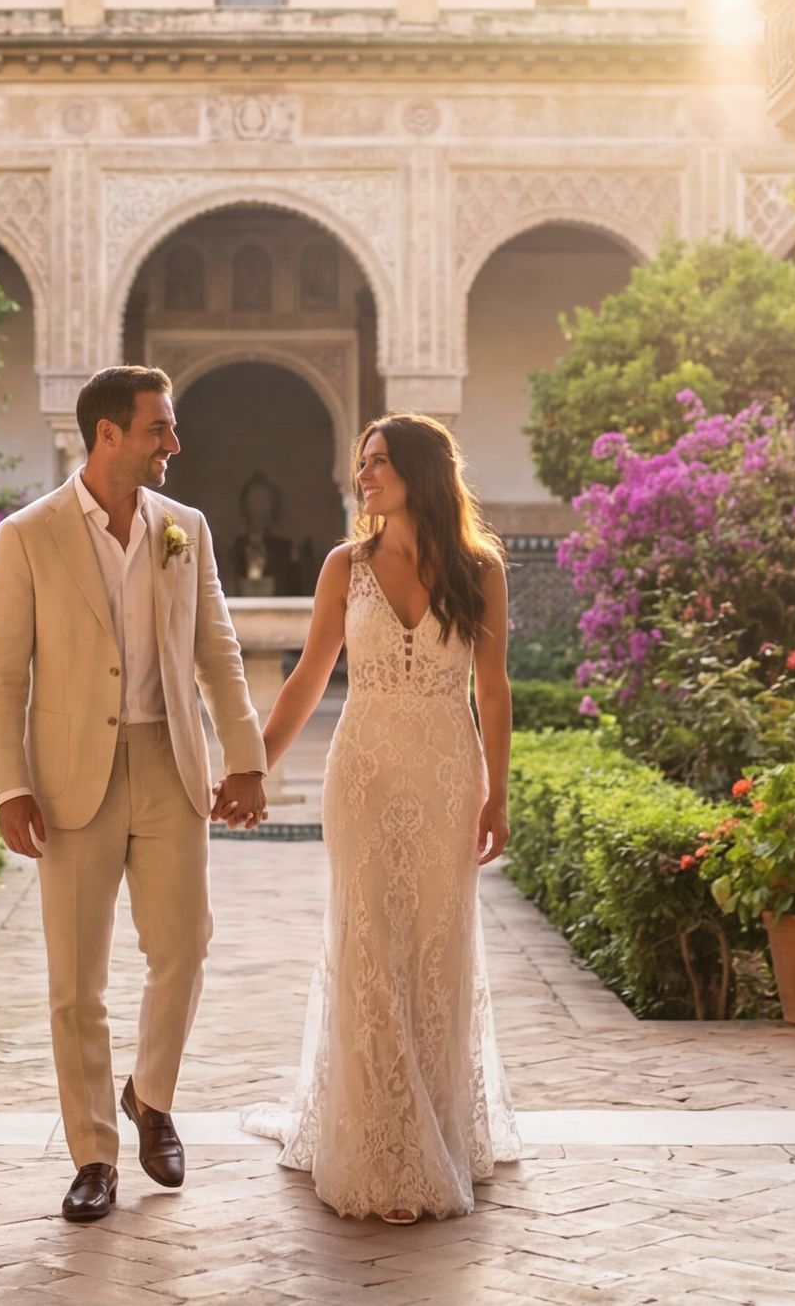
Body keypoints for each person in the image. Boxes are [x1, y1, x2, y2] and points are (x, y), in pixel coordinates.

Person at [0, 365, 271, 1223]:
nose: (173, 442)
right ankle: (95, 1154)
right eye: (158, 428)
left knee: (182, 948)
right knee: (76, 980)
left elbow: (217, 651)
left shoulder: (188, 529)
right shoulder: (26, 535)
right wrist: (10, 783)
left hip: (170, 766)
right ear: (108, 434)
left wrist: (244, 757)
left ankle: (152, 1093)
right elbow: (0, 679)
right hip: (71, 778)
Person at [241, 414, 522, 1223]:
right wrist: (254, 765)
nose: (365, 475)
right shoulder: (344, 566)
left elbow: (492, 690)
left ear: (421, 471)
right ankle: (380, 1141)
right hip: (361, 773)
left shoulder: (481, 569)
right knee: (368, 940)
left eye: (379, 462)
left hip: (444, 775)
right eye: (361, 462)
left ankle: (436, 1120)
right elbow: (303, 681)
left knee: (436, 944)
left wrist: (496, 793)